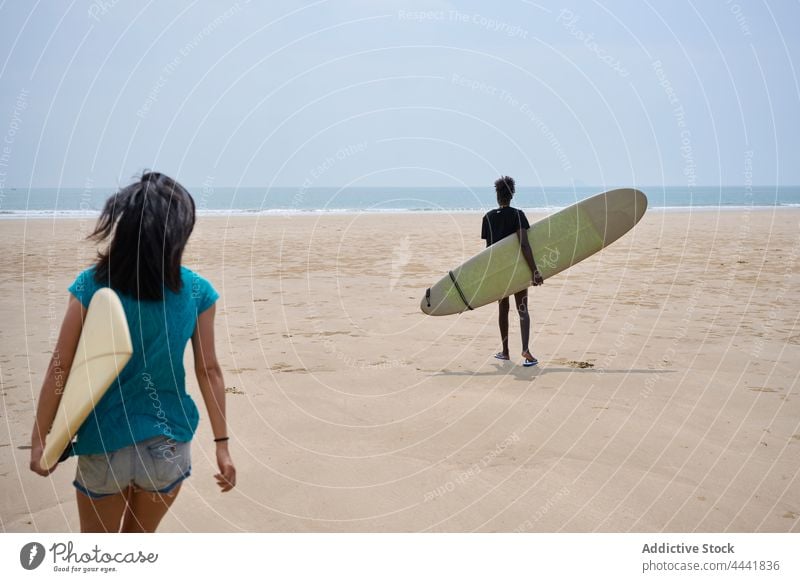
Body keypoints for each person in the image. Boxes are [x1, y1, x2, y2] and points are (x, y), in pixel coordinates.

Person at [29, 172, 236, 532]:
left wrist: (40, 438)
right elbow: (209, 370)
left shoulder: (91, 285)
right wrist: (222, 445)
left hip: (105, 441)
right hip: (168, 444)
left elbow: (59, 367)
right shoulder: (197, 292)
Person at [481, 176, 544, 367]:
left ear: (497, 195)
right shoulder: (518, 214)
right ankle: (525, 350)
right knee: (522, 309)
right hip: (518, 270)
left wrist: (490, 275)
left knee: (503, 310)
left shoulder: (488, 218)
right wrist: (534, 271)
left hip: (500, 272)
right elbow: (524, 244)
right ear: (512, 194)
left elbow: (489, 251)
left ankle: (505, 351)